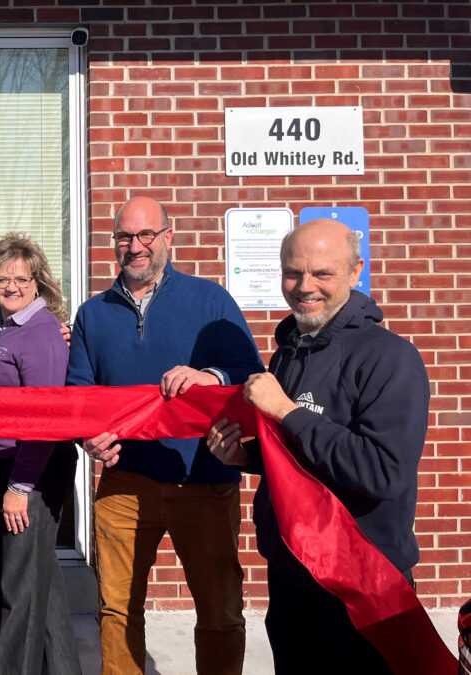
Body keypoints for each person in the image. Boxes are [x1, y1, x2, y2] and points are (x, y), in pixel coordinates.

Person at [206, 218, 430, 674]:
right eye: (293, 272)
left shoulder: (391, 357)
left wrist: (287, 411)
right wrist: (246, 457)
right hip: (292, 573)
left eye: (322, 273)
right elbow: (298, 456)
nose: (305, 286)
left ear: (355, 272)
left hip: (363, 580)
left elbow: (382, 472)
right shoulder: (288, 351)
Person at [66, 196, 264, 675]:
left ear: (168, 237)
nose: (135, 247)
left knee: (219, 611)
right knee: (116, 611)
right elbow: (79, 394)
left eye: (146, 235)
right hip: (123, 484)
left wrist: (211, 375)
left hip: (205, 480)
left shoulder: (210, 300)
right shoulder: (93, 314)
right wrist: (88, 438)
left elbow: (251, 374)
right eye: (124, 237)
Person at [0, 233, 82, 675]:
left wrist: (20, 486)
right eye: (2, 280)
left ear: (38, 283)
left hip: (28, 470)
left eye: (21, 278)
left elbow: (45, 419)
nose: (11, 286)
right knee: (41, 585)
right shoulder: (13, 330)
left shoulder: (42, 333)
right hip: (7, 466)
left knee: (17, 592)